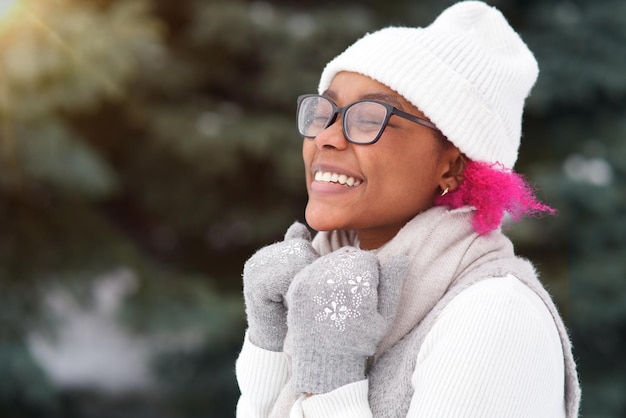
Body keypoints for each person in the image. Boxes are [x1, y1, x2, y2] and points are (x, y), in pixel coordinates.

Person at [236, 1, 581, 417]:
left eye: (368, 118)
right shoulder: (320, 294)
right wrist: (270, 344)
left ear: (452, 165)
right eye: (325, 112)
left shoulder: (494, 316)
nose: (326, 137)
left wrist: (331, 381)